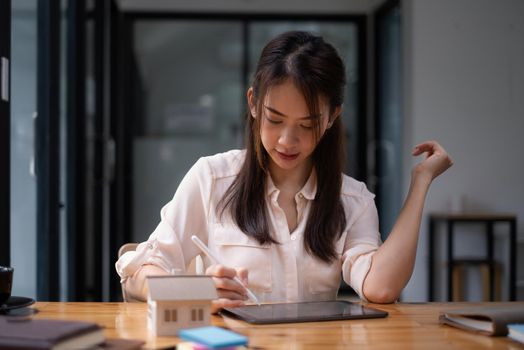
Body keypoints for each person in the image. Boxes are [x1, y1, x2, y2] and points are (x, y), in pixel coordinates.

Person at [116, 31, 452, 313]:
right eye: (274, 120)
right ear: (252, 103)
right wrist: (194, 290)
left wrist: (420, 183)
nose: (287, 141)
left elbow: (380, 289)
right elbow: (137, 274)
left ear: (333, 117)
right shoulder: (212, 179)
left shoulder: (352, 200)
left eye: (307, 125)